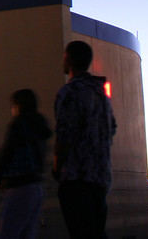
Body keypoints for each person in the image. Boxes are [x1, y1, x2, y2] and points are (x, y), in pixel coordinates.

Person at [53, 40, 117, 239]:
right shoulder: (101, 94)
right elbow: (112, 128)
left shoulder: (70, 92)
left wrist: (57, 166)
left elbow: (65, 134)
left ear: (68, 59)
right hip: (100, 177)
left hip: (77, 178)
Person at [0, 88, 53, 239]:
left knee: (8, 233)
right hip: (37, 187)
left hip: (18, 187)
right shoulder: (40, 124)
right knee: (28, 233)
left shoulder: (19, 124)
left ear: (18, 106)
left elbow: (8, 150)